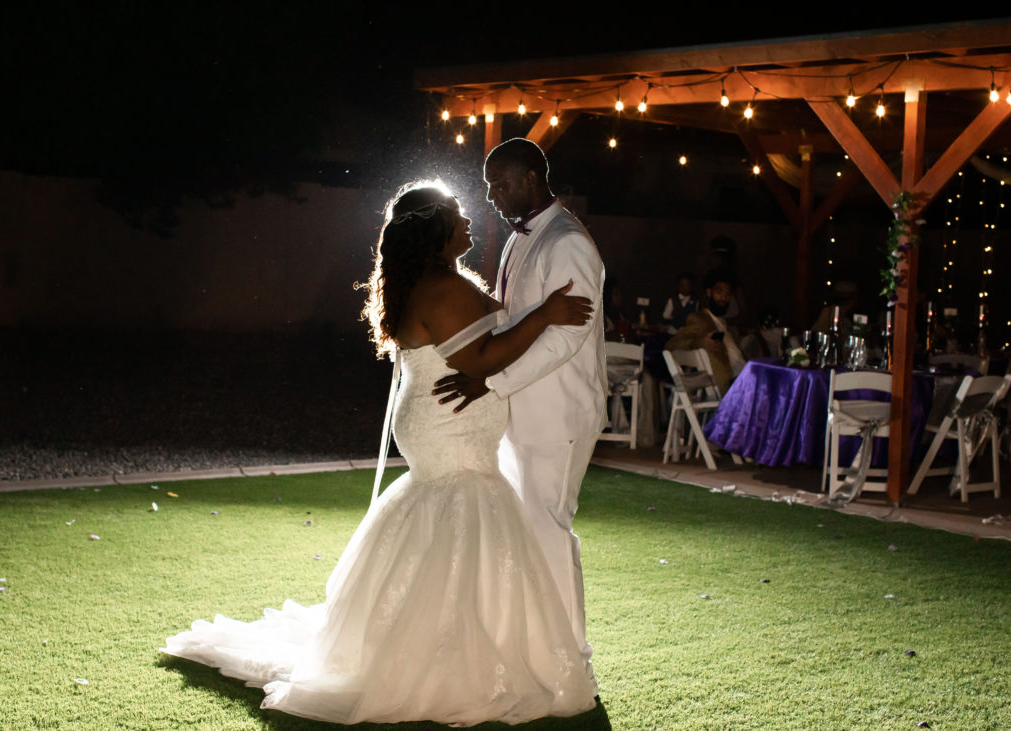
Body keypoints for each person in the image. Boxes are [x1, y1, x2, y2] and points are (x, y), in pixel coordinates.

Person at [162, 182, 598, 726]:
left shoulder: (438, 282)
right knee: (458, 519)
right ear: (435, 230)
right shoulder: (441, 290)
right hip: (449, 430)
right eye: (459, 216)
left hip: (444, 425)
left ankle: (450, 643)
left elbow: (476, 350)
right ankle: (445, 660)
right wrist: (546, 314)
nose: (469, 222)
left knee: (444, 522)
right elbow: (482, 360)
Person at [432, 138, 606, 696]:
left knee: (548, 531)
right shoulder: (517, 239)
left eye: (499, 182)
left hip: (557, 412)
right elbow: (513, 320)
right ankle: (532, 650)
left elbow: (567, 336)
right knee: (526, 533)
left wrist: (491, 380)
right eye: (487, 185)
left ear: (532, 177)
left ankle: (569, 662)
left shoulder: (570, 241)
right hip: (520, 411)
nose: (491, 195)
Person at [665, 268, 745, 395]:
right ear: (709, 293)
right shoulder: (700, 319)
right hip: (730, 387)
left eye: (727, 294)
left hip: (743, 381)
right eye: (719, 293)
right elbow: (671, 344)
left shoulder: (722, 323)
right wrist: (698, 342)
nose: (723, 298)